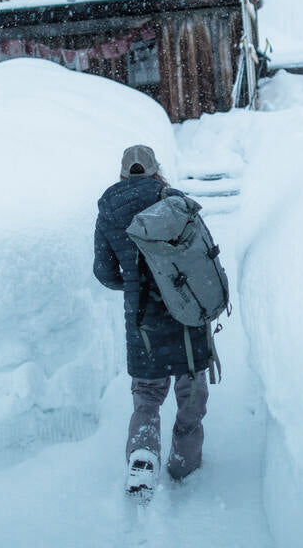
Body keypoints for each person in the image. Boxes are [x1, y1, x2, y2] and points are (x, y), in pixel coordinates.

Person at [93, 144, 212, 497]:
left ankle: (143, 454)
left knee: (147, 394)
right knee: (191, 388)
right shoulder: (172, 198)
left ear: (122, 172)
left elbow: (103, 271)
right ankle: (184, 461)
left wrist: (131, 282)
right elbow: (203, 252)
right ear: (156, 169)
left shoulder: (109, 209)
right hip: (186, 311)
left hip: (141, 317)